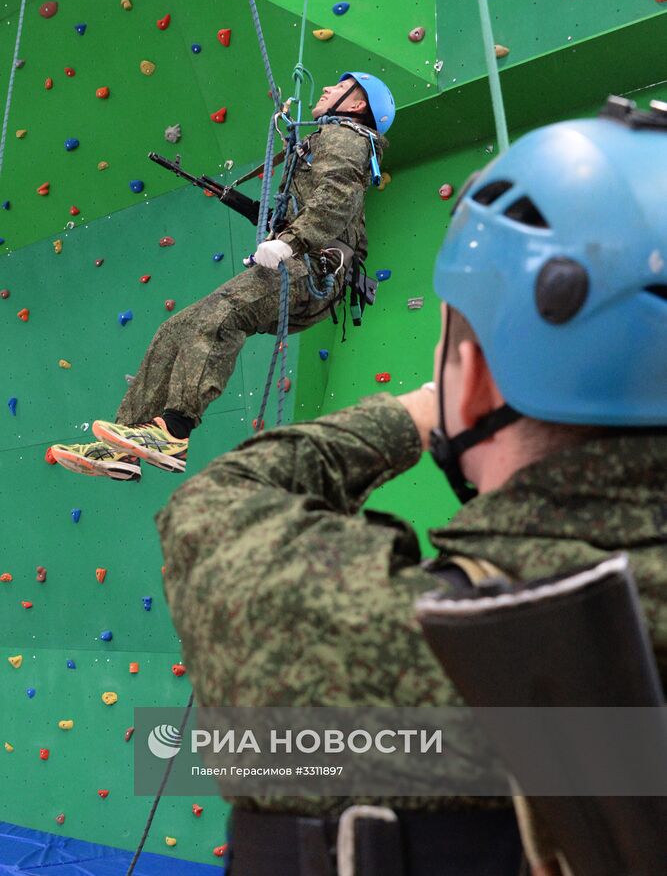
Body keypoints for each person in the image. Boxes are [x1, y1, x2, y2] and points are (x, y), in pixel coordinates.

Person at [155, 95, 667, 874]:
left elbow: (214, 509)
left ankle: (161, 423)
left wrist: (420, 410)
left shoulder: (395, 639)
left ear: (478, 380)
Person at [49, 72, 394, 482]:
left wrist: (290, 241)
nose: (327, 90)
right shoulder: (321, 140)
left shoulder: (346, 137)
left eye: (340, 88)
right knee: (176, 329)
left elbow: (335, 200)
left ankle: (174, 433)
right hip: (306, 265)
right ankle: (123, 447)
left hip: (312, 270)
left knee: (222, 315)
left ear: (357, 105)